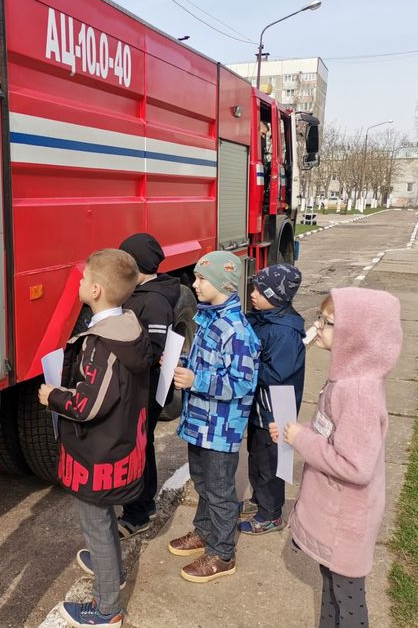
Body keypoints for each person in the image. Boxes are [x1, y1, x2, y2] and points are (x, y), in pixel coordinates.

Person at [270, 288, 402, 628]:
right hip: (335, 513)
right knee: (330, 584)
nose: (317, 326)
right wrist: (295, 431)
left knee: (347, 597)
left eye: (327, 322)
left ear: (356, 336)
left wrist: (301, 439)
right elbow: (329, 432)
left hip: (346, 520)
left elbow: (355, 465)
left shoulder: (357, 392)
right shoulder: (345, 379)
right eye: (320, 318)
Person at [38, 249, 151, 628]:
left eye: (84, 278)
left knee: (98, 526)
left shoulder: (102, 344)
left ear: (97, 290)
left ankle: (107, 609)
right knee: (104, 520)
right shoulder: (130, 327)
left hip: (98, 455)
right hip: (118, 446)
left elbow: (87, 405)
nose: (81, 282)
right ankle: (111, 570)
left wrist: (52, 396)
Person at [168, 251, 260, 582]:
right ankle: (204, 531)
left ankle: (222, 553)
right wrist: (182, 365)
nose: (194, 284)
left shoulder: (236, 330)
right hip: (200, 424)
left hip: (220, 430)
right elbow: (205, 363)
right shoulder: (209, 319)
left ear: (224, 284)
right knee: (203, 481)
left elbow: (242, 382)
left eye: (201, 279)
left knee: (220, 491)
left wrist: (196, 380)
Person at [116, 233, 181, 539]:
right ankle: (142, 505)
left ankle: (138, 513)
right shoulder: (139, 293)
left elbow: (152, 351)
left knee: (139, 447)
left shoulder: (153, 302)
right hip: (136, 385)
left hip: (146, 388)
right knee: (140, 444)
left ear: (136, 264)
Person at [239, 264, 305, 535]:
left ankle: (271, 513)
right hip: (260, 408)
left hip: (274, 411)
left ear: (276, 297)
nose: (252, 294)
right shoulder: (262, 319)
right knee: (256, 455)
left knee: (271, 462)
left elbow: (277, 374)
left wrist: (246, 366)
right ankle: (258, 499)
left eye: (259, 291)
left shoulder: (284, 332)